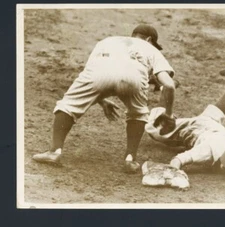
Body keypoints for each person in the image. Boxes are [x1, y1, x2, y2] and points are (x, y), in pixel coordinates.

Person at [32, 24, 177, 173]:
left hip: (98, 72)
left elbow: (94, 73)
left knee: (68, 105)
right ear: (149, 39)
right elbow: (169, 85)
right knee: (138, 113)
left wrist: (101, 99)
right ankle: (130, 159)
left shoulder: (107, 41)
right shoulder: (150, 48)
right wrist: (169, 115)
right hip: (134, 77)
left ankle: (54, 151)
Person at [145, 68, 225, 175]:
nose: (224, 167)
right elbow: (179, 159)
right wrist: (174, 171)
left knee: (211, 117)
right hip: (197, 129)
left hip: (213, 127)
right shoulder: (207, 150)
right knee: (154, 128)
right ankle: (167, 86)